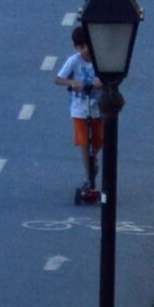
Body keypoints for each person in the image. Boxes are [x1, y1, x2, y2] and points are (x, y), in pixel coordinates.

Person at [59, 26, 105, 204]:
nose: (89, 51)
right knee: (84, 142)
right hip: (79, 108)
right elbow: (59, 78)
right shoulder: (74, 61)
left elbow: (105, 78)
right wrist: (72, 83)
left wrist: (95, 85)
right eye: (85, 47)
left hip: (98, 107)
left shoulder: (100, 60)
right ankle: (88, 177)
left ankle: (93, 159)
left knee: (99, 140)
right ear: (78, 47)